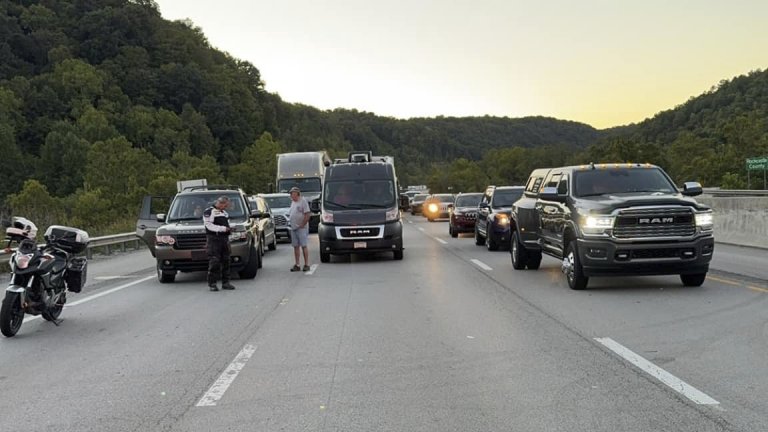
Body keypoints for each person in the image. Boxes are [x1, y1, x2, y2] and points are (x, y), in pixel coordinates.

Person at [203, 196, 235, 291]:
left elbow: (227, 225)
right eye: (225, 205)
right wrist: (223, 229)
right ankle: (212, 283)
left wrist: (230, 228)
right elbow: (209, 226)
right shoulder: (209, 211)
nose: (226, 207)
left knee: (226, 260)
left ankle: (226, 282)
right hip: (214, 239)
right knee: (214, 261)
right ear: (220, 203)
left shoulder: (224, 213)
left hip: (224, 239)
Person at [288, 186, 311, 271]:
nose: (291, 195)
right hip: (294, 228)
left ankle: (306, 264)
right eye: (290, 194)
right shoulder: (293, 202)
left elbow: (307, 214)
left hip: (301, 228)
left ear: (297, 194)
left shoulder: (303, 201)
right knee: (295, 246)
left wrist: (303, 224)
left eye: (292, 194)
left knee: (304, 245)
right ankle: (297, 264)